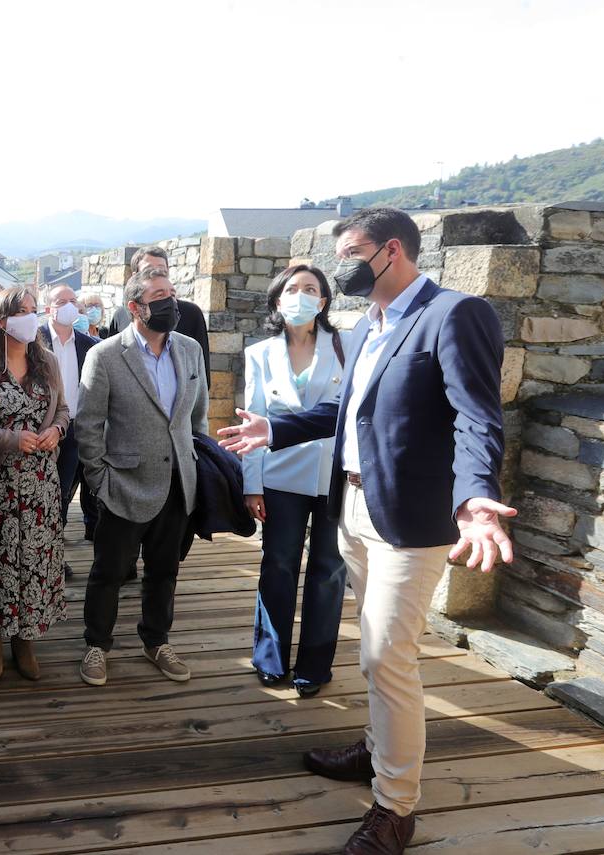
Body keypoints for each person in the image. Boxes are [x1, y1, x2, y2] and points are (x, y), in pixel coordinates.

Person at [218, 207, 516, 854]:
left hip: (410, 522)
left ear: (392, 251)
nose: (339, 267)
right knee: (373, 648)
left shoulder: (454, 314)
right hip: (352, 510)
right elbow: (347, 409)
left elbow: (477, 418)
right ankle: (378, 750)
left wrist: (476, 498)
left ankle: (395, 806)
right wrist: (277, 428)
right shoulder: (370, 323)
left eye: (351, 251)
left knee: (387, 656)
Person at [75, 268, 208, 687]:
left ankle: (156, 640)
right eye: (158, 295)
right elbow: (89, 424)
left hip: (177, 484)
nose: (170, 302)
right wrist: (99, 480)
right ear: (135, 308)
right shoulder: (106, 355)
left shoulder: (188, 350)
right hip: (124, 485)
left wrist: (195, 464)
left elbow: (197, 416)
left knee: (165, 571)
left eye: (172, 293)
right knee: (109, 572)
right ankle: (97, 645)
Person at [242, 264, 348, 698]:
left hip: (334, 475)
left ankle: (315, 664)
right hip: (281, 475)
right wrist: (252, 485)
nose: (301, 295)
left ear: (322, 302)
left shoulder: (346, 347)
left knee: (328, 570)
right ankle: (270, 657)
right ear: (277, 299)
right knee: (279, 564)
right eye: (292, 288)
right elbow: (249, 421)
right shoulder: (260, 353)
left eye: (310, 289)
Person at [0, 287, 68, 681]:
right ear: (2, 319)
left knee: (34, 561)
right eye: (24, 311)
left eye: (35, 311)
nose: (32, 318)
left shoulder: (48, 361)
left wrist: (56, 430)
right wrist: (10, 440)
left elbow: (64, 411)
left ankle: (25, 638)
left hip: (39, 481)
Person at [36, 283, 98, 577]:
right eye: (63, 301)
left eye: (75, 300)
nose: (71, 305)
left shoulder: (89, 345)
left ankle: (52, 558)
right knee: (36, 495)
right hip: (38, 431)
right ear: (49, 307)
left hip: (73, 431)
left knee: (61, 494)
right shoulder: (33, 339)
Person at [104, 245, 210, 378]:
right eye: (149, 270)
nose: (156, 274)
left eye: (162, 270)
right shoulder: (121, 315)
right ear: (135, 276)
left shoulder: (191, 314)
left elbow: (201, 377)